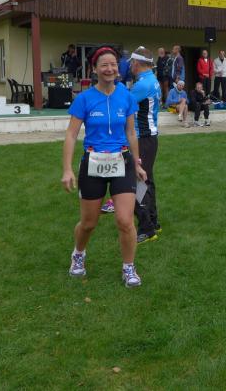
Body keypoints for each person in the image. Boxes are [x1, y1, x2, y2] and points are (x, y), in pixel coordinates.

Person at [61, 46, 148, 288]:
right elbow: (71, 135)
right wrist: (67, 169)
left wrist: (137, 163)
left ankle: (129, 267)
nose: (109, 69)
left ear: (118, 69)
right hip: (93, 162)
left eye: (113, 64)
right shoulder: (84, 99)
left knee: (125, 220)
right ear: (95, 69)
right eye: (104, 65)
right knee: (89, 223)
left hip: (122, 161)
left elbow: (131, 133)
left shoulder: (126, 96)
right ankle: (78, 254)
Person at [130, 46, 162, 244]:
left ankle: (146, 228)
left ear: (137, 63)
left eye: (132, 63)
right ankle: (153, 222)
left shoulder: (142, 84)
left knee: (138, 183)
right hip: (149, 138)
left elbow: (124, 106)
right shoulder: (152, 80)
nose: (130, 66)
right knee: (147, 180)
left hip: (143, 138)